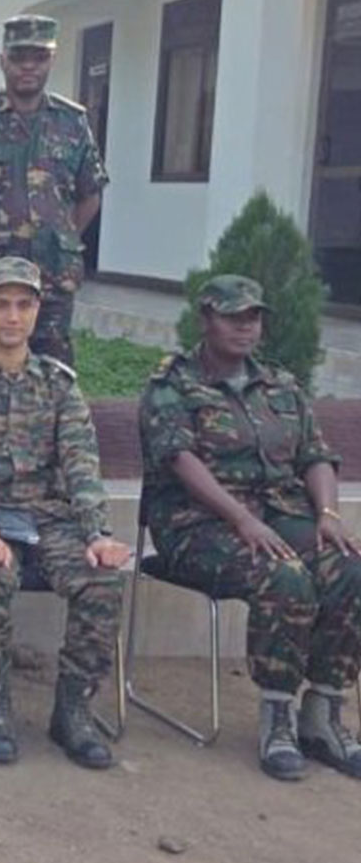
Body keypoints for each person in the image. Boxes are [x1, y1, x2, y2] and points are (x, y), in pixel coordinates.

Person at [140, 274, 360, 781]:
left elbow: (316, 456)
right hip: (197, 526)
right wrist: (242, 520)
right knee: (285, 576)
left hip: (282, 515)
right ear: (206, 319)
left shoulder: (281, 384)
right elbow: (180, 460)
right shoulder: (172, 385)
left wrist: (328, 515)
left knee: (350, 568)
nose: (246, 327)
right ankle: (277, 718)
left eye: (254, 317)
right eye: (233, 317)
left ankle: (322, 714)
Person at [0, 256, 129, 769]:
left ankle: (73, 709)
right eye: (0, 304)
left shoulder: (59, 385)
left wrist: (97, 533)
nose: (12, 316)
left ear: (37, 311)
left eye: (23, 305)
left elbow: (81, 464)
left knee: (101, 580)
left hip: (48, 518)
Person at [0, 14, 107, 366]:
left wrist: (63, 237)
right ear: (2, 61)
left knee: (52, 367)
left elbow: (90, 193)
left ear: (52, 59)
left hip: (52, 274)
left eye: (39, 57)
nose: (28, 66)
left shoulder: (73, 123)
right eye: (18, 57)